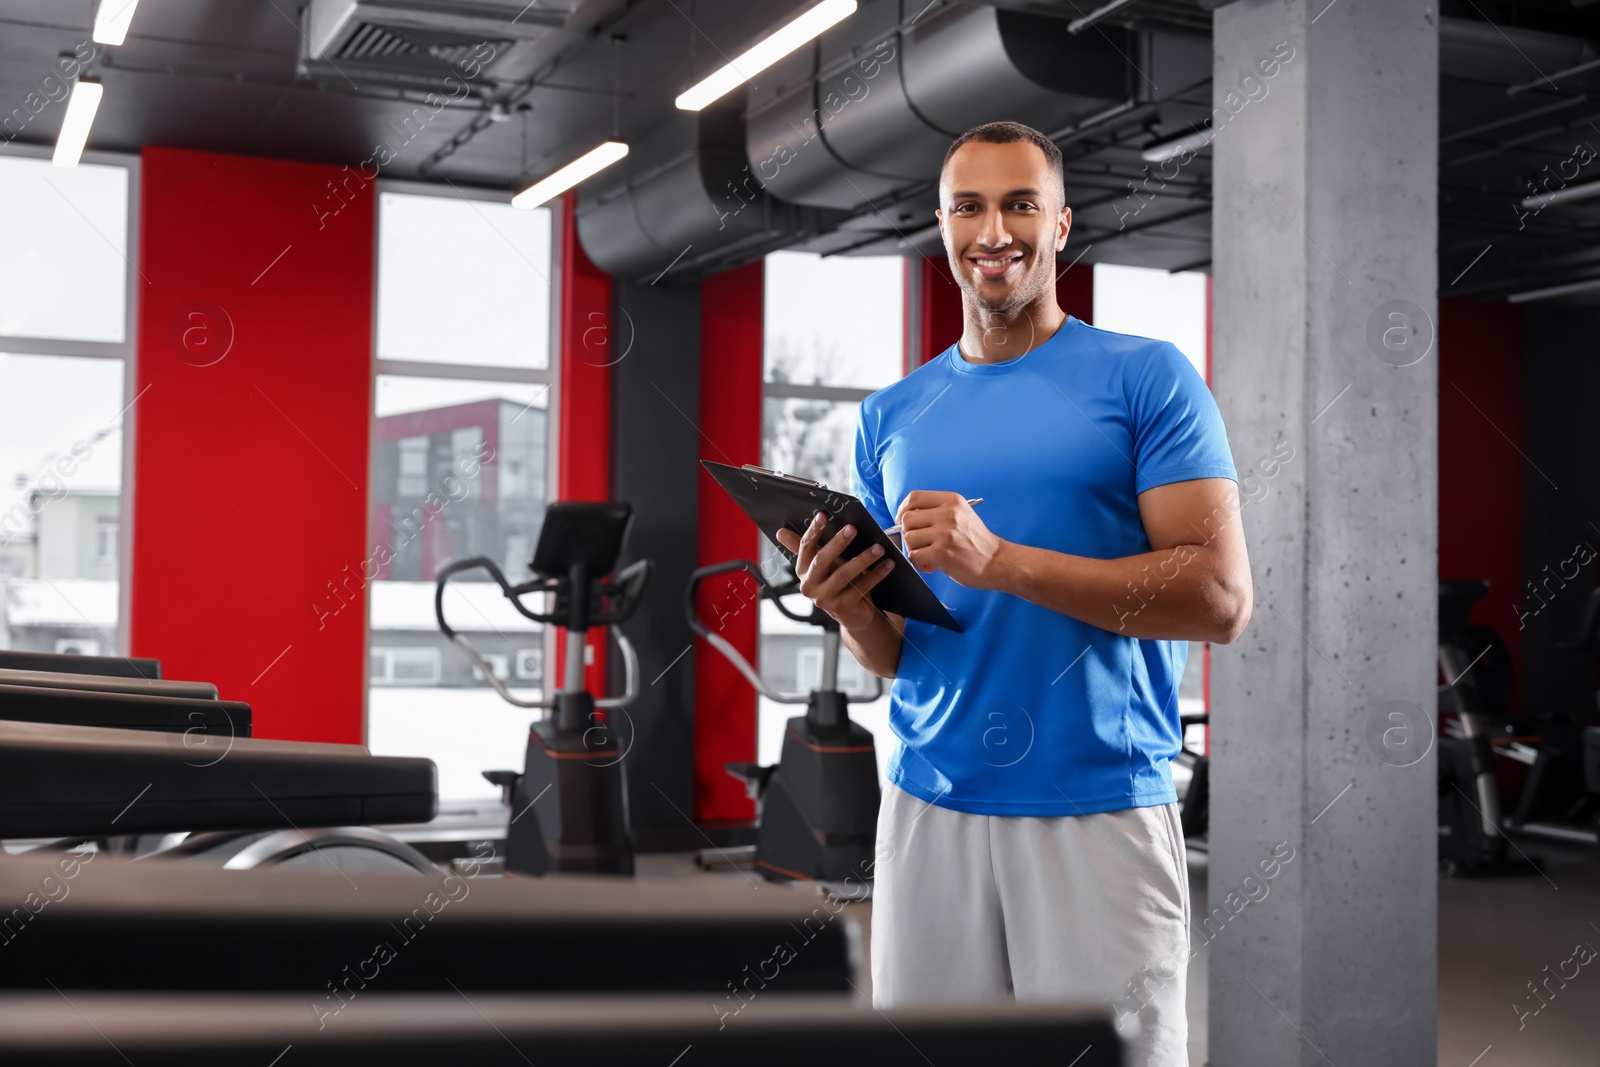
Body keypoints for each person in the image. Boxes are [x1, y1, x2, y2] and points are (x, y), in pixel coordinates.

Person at [774, 120, 1251, 1067]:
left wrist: (1005, 563)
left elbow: (1220, 597)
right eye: (970, 206)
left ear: (1062, 224)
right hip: (926, 805)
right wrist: (851, 606)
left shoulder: (1145, 378)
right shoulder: (892, 415)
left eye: (1020, 203)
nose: (995, 230)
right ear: (941, 226)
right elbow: (896, 651)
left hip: (1098, 806)